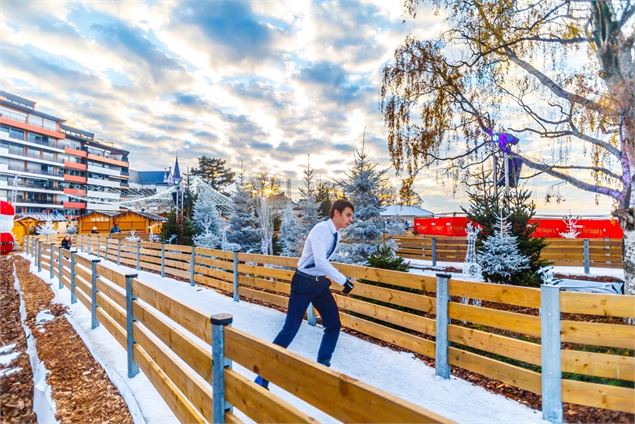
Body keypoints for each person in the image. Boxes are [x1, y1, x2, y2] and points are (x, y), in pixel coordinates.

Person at [255, 199, 356, 389]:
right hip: (303, 283)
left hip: (318, 284)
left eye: (351, 216)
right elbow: (319, 261)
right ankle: (263, 375)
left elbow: (322, 263)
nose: (351, 219)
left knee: (333, 325)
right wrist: (343, 280)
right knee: (290, 328)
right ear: (336, 213)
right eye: (348, 215)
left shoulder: (337, 235)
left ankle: (322, 369)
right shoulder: (321, 230)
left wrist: (335, 279)